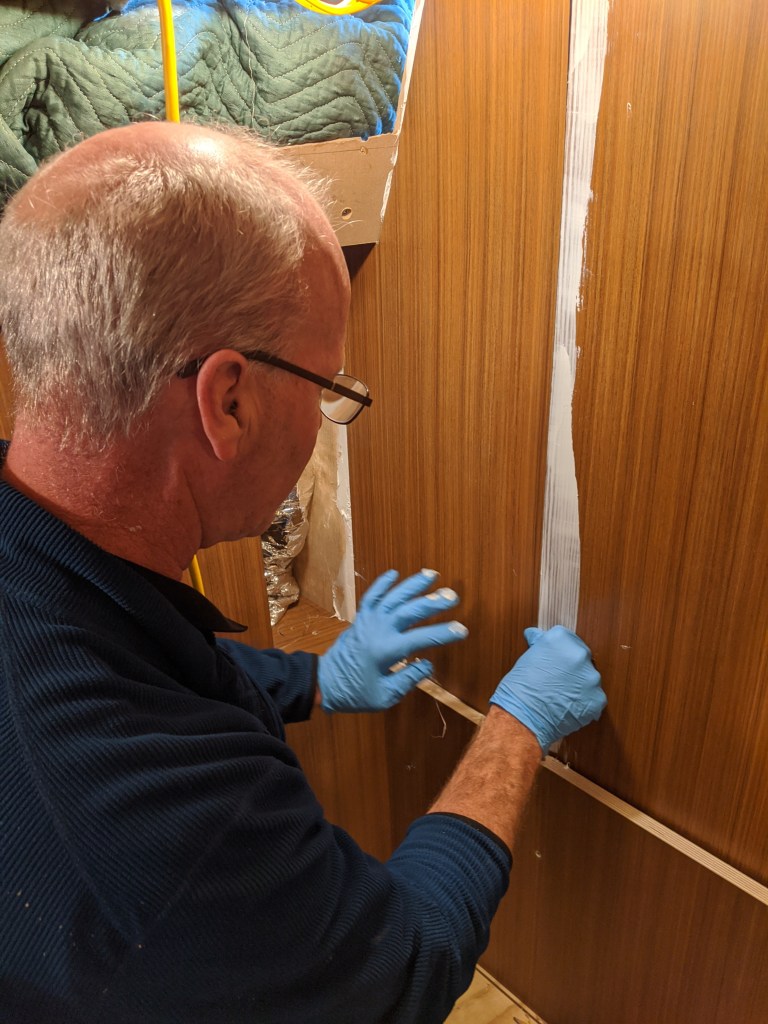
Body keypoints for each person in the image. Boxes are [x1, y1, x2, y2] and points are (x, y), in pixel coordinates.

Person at [0, 122, 606, 1024]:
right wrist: (517, 728)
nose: (326, 410)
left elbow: (118, 649)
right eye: (326, 386)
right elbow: (397, 972)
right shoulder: (164, 834)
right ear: (228, 400)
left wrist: (316, 679)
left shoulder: (43, 555)